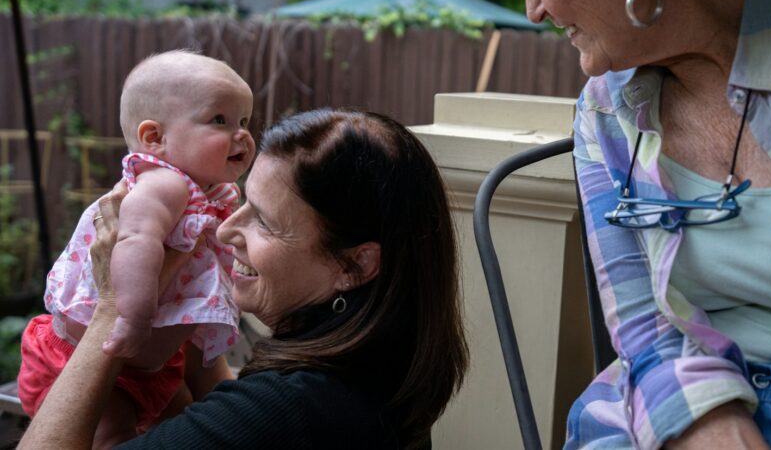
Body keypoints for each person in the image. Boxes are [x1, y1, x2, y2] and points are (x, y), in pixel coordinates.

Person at [447, 0, 771, 448]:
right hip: (680, 407)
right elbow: (643, 327)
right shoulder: (606, 106)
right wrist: (708, 424)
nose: (534, 8)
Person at [20, 108, 469, 450]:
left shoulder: (287, 408)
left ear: (354, 265)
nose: (226, 229)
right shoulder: (383, 366)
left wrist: (111, 311)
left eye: (265, 222)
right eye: (242, 201)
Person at [18, 51, 256, 445]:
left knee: (186, 424)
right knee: (113, 434)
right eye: (220, 120)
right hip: (90, 355)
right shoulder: (163, 185)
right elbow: (134, 242)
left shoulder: (211, 192)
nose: (242, 134)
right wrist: (130, 317)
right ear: (154, 138)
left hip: (154, 365)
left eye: (244, 121)